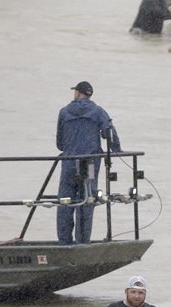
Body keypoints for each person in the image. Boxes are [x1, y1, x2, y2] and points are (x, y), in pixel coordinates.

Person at [56, 81, 121, 245]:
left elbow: (59, 143)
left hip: (69, 163)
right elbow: (109, 133)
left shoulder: (64, 112)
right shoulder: (98, 112)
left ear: (77, 93)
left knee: (65, 201)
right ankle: (83, 242)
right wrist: (116, 151)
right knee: (87, 200)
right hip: (89, 164)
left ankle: (64, 242)